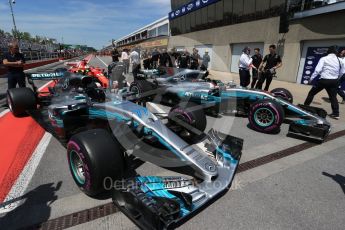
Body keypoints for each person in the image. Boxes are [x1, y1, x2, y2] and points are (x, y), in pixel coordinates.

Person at [304, 46, 345, 120]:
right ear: (336, 52)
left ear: (328, 51)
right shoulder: (340, 60)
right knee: (333, 97)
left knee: (311, 93)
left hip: (323, 81)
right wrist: (337, 78)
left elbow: (317, 70)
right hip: (334, 81)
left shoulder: (324, 58)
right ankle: (336, 114)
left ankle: (305, 108)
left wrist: (311, 79)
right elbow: (342, 72)